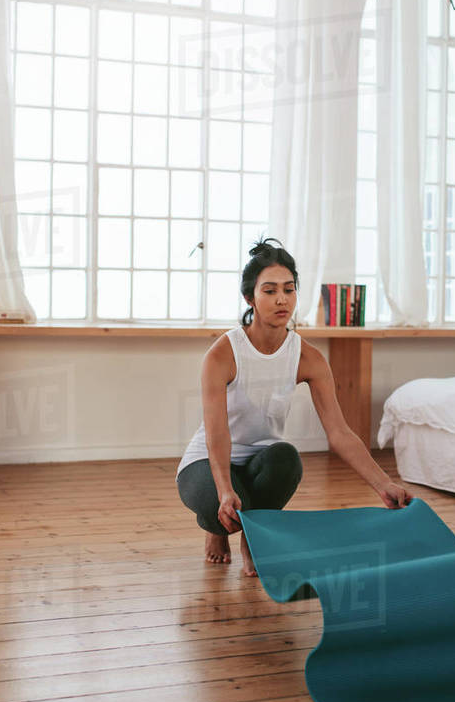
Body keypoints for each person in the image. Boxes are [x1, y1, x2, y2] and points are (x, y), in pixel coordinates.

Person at [176, 238, 414, 577]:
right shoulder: (223, 353)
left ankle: (252, 540)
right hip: (208, 459)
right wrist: (226, 490)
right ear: (250, 298)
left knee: (287, 457)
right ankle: (217, 529)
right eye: (270, 290)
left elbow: (339, 433)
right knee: (221, 508)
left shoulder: (308, 358)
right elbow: (217, 433)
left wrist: (383, 484)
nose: (281, 299)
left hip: (263, 461)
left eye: (289, 289)